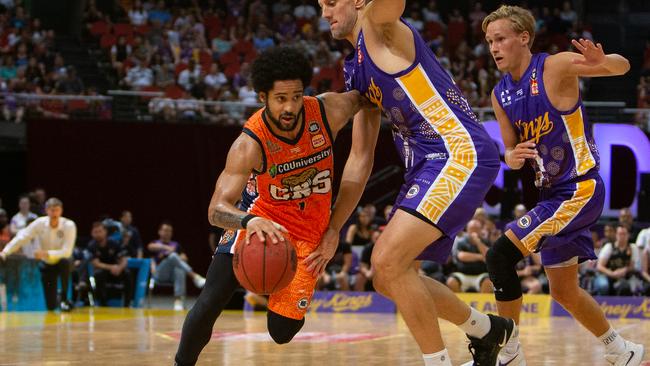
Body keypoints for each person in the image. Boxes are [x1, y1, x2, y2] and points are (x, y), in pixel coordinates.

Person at [318, 1, 514, 365]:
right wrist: (333, 229)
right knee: (389, 275)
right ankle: (488, 330)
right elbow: (360, 159)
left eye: (331, 1)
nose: (325, 12)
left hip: (458, 152)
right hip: (425, 165)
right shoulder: (356, 70)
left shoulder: (382, 27)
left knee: (387, 261)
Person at [173, 45, 378, 366]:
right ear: (263, 97)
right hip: (260, 222)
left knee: (282, 331)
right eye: (281, 98)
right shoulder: (249, 143)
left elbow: (369, 98)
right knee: (211, 300)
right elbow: (216, 210)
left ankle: (271, 282)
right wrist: (247, 221)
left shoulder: (326, 111)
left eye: (296, 96)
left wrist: (334, 229)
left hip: (310, 232)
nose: (290, 107)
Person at [482, 5, 644, 365]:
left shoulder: (553, 67)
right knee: (564, 290)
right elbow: (509, 148)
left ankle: (509, 354)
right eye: (490, 41)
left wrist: (605, 59)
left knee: (499, 256)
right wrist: (511, 156)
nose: (493, 47)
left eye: (501, 38)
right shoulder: (500, 93)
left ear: (524, 37)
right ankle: (623, 350)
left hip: (579, 188)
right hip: (551, 193)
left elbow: (622, 67)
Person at [0, 198, 76, 311]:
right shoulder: (40, 223)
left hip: (62, 261)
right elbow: (22, 237)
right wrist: (5, 252)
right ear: (46, 210)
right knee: (50, 305)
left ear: (61, 211)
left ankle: (64, 297)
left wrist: (46, 253)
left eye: (57, 210)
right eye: (51, 210)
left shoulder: (69, 225)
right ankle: (56, 300)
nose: (54, 213)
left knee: (65, 262)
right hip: (46, 263)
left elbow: (67, 251)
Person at [148, 222, 205, 311]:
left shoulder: (176, 245)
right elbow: (150, 247)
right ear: (159, 232)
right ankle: (195, 277)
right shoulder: (155, 242)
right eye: (165, 230)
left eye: (169, 231)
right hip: (159, 273)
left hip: (173, 275)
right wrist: (167, 249)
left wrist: (176, 255)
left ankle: (178, 302)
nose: (167, 233)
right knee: (173, 256)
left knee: (179, 268)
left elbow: (185, 258)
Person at [87, 222, 132, 307]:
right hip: (103, 271)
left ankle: (127, 303)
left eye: (100, 231)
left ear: (105, 232)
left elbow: (124, 260)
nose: (98, 234)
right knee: (99, 274)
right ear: (92, 233)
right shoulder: (92, 246)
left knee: (127, 273)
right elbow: (96, 264)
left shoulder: (114, 243)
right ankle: (103, 304)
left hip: (116, 271)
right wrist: (112, 267)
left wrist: (119, 268)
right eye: (95, 232)